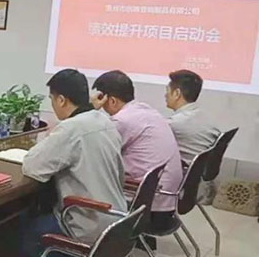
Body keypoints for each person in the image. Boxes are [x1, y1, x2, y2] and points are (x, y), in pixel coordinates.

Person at [22, 69, 126, 254]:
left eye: (52, 99)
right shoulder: (105, 121)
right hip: (116, 221)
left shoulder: (72, 127)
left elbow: (32, 167)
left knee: (21, 229)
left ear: (61, 100)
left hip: (88, 225)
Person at [92, 70, 183, 231]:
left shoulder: (122, 121)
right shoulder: (146, 111)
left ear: (111, 100)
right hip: (165, 200)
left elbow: (91, 150)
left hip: (147, 207)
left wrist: (92, 110)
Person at [165, 70, 221, 204]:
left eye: (167, 91)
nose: (165, 95)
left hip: (180, 182)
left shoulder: (175, 124)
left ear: (177, 93)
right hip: (196, 182)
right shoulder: (204, 116)